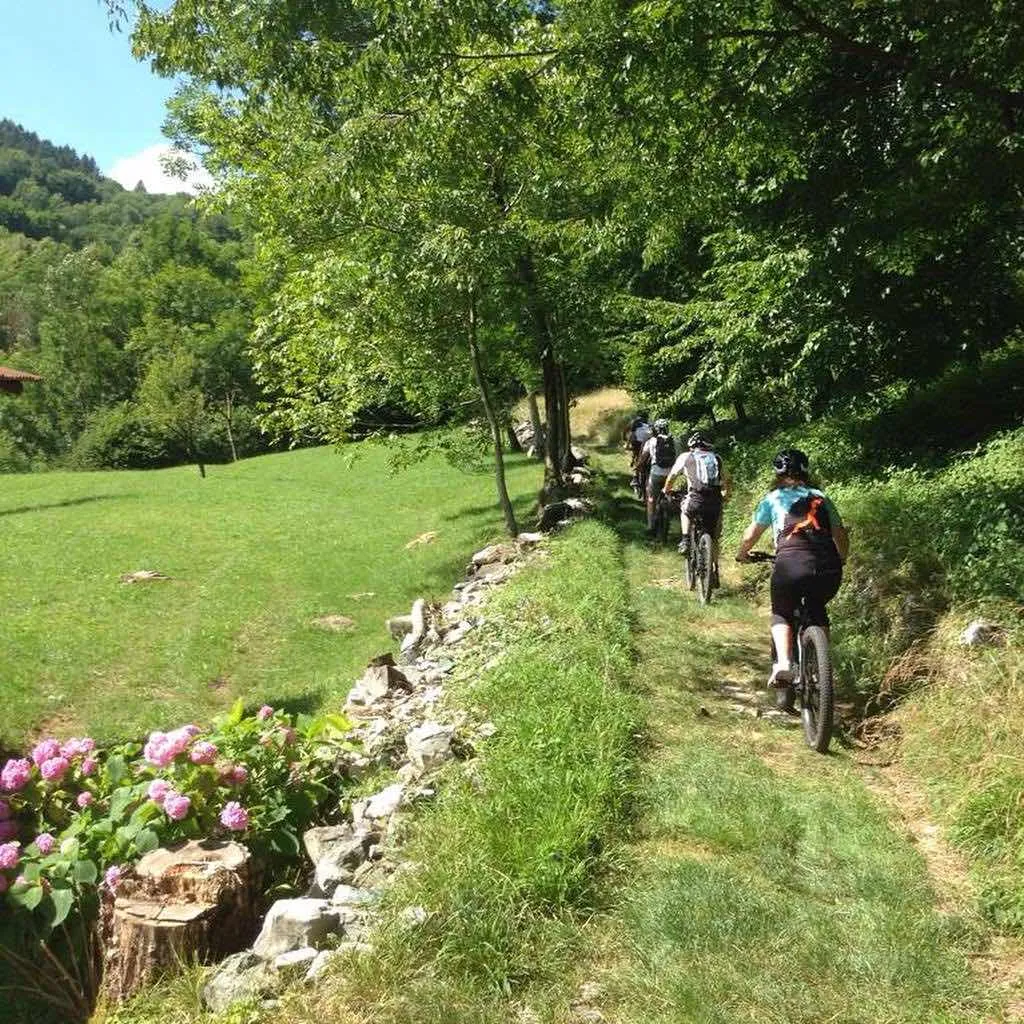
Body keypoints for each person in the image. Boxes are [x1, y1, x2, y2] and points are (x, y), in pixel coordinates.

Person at [735, 448, 849, 686]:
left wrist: (742, 555)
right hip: (828, 567)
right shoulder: (821, 496)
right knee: (817, 607)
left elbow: (750, 535)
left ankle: (785, 664)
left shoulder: (773, 498)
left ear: (777, 474)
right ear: (806, 471)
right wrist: (842, 559)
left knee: (781, 612)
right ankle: (821, 670)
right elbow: (839, 533)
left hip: (791, 564)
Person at [664, 432, 727, 563]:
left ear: (692, 446)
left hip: (696, 498)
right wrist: (725, 497)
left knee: (685, 511)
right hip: (715, 500)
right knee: (714, 537)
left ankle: (685, 540)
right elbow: (727, 481)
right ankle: (714, 571)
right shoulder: (717, 458)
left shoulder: (686, 457)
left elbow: (672, 476)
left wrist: (667, 489)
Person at [637, 418, 677, 533]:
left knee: (651, 498)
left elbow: (643, 457)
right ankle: (671, 512)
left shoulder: (652, 441)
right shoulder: (675, 441)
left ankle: (650, 526)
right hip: (671, 475)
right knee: (670, 493)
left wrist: (638, 467)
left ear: (656, 429)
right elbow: (679, 458)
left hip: (656, 473)